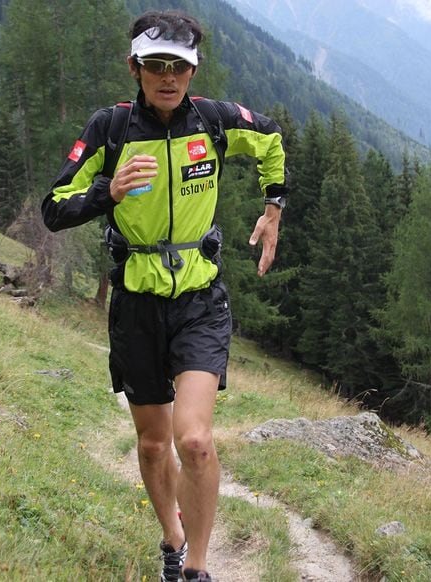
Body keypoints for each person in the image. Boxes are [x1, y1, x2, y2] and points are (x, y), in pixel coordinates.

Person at [41, 9, 286, 582]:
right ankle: (174, 542)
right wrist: (107, 192)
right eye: (155, 65)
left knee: (194, 440)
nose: (168, 77)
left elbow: (271, 136)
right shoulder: (110, 129)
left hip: (200, 300)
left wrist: (274, 206)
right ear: (135, 68)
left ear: (193, 70)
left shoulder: (215, 121)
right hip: (136, 305)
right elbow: (53, 207)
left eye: (179, 66)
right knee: (154, 446)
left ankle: (196, 570)